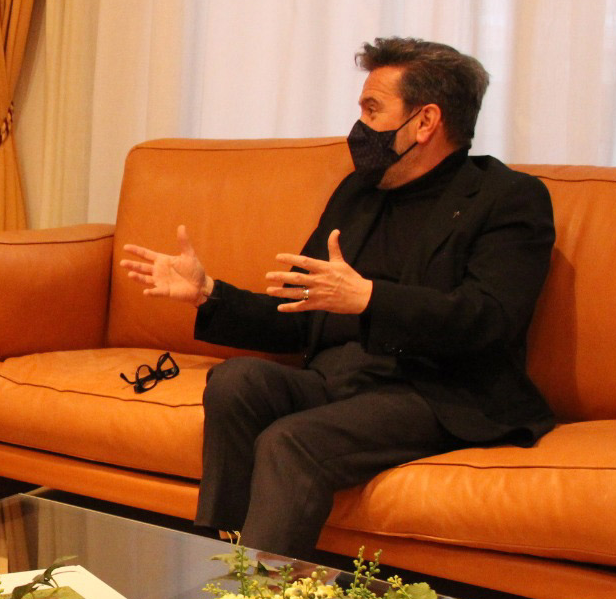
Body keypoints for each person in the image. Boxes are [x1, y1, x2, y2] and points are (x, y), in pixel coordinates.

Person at [121, 37, 556, 560]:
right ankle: (218, 558)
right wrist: (208, 294)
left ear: (425, 121)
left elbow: (491, 319)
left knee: (290, 440)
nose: (359, 126)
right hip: (338, 384)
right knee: (236, 382)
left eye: (372, 109)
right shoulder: (358, 193)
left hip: (435, 393)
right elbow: (298, 313)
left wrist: (371, 299)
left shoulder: (507, 198)